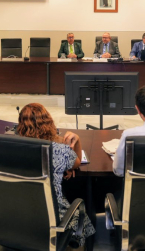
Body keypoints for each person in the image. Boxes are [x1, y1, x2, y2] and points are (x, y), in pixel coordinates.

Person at [15, 103, 95, 247]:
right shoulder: (60, 150)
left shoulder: (10, 148)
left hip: (17, 212)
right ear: (48, 122)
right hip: (52, 216)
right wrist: (77, 139)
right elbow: (77, 163)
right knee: (78, 213)